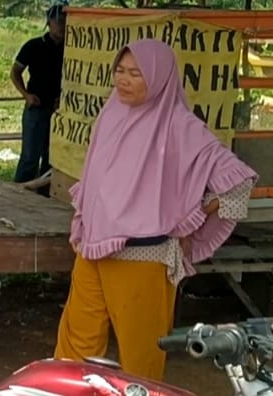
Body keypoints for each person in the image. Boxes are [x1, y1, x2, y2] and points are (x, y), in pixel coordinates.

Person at [55, 39, 257, 381]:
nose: (124, 80)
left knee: (141, 354)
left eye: (136, 73)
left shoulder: (178, 123)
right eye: (120, 70)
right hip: (93, 247)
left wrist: (191, 218)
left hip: (142, 256)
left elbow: (237, 180)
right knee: (76, 343)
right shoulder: (112, 110)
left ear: (160, 78)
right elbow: (95, 174)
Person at [11, 4, 66, 187]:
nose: (62, 25)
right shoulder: (34, 45)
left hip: (60, 109)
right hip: (36, 106)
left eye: (65, 21)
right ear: (49, 23)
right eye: (58, 21)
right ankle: (19, 194)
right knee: (29, 156)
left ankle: (44, 197)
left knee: (52, 158)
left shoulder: (71, 50)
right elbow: (15, 72)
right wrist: (26, 95)